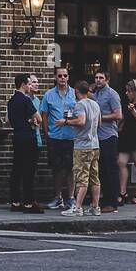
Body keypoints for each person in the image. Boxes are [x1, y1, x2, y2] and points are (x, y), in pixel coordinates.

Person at [39, 67, 78, 210]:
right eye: (60, 75)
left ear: (68, 77)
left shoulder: (75, 94)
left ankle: (71, 198)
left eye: (65, 75)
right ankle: (58, 197)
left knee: (71, 168)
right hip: (54, 136)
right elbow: (44, 114)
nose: (62, 78)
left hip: (71, 136)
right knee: (57, 169)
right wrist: (46, 132)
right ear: (55, 77)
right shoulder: (49, 95)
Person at [61, 81, 101, 216]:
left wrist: (66, 121)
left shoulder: (79, 105)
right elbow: (99, 123)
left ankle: (77, 208)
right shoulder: (95, 104)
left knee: (81, 177)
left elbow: (81, 121)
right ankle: (95, 207)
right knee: (94, 177)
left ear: (77, 91)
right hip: (95, 145)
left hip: (82, 146)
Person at [7, 73, 43, 213]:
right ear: (22, 84)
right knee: (29, 170)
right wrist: (30, 121)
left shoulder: (11, 101)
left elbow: (10, 121)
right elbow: (38, 119)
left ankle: (15, 202)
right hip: (28, 137)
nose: (30, 86)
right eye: (28, 84)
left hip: (17, 137)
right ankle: (28, 203)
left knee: (16, 169)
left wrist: (26, 121)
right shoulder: (26, 100)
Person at [92, 70, 123, 213]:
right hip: (97, 137)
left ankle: (113, 202)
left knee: (111, 170)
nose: (98, 80)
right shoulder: (96, 94)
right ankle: (105, 199)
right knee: (102, 171)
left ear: (107, 79)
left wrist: (100, 118)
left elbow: (118, 115)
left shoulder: (112, 94)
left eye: (101, 78)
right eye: (96, 78)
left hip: (109, 136)